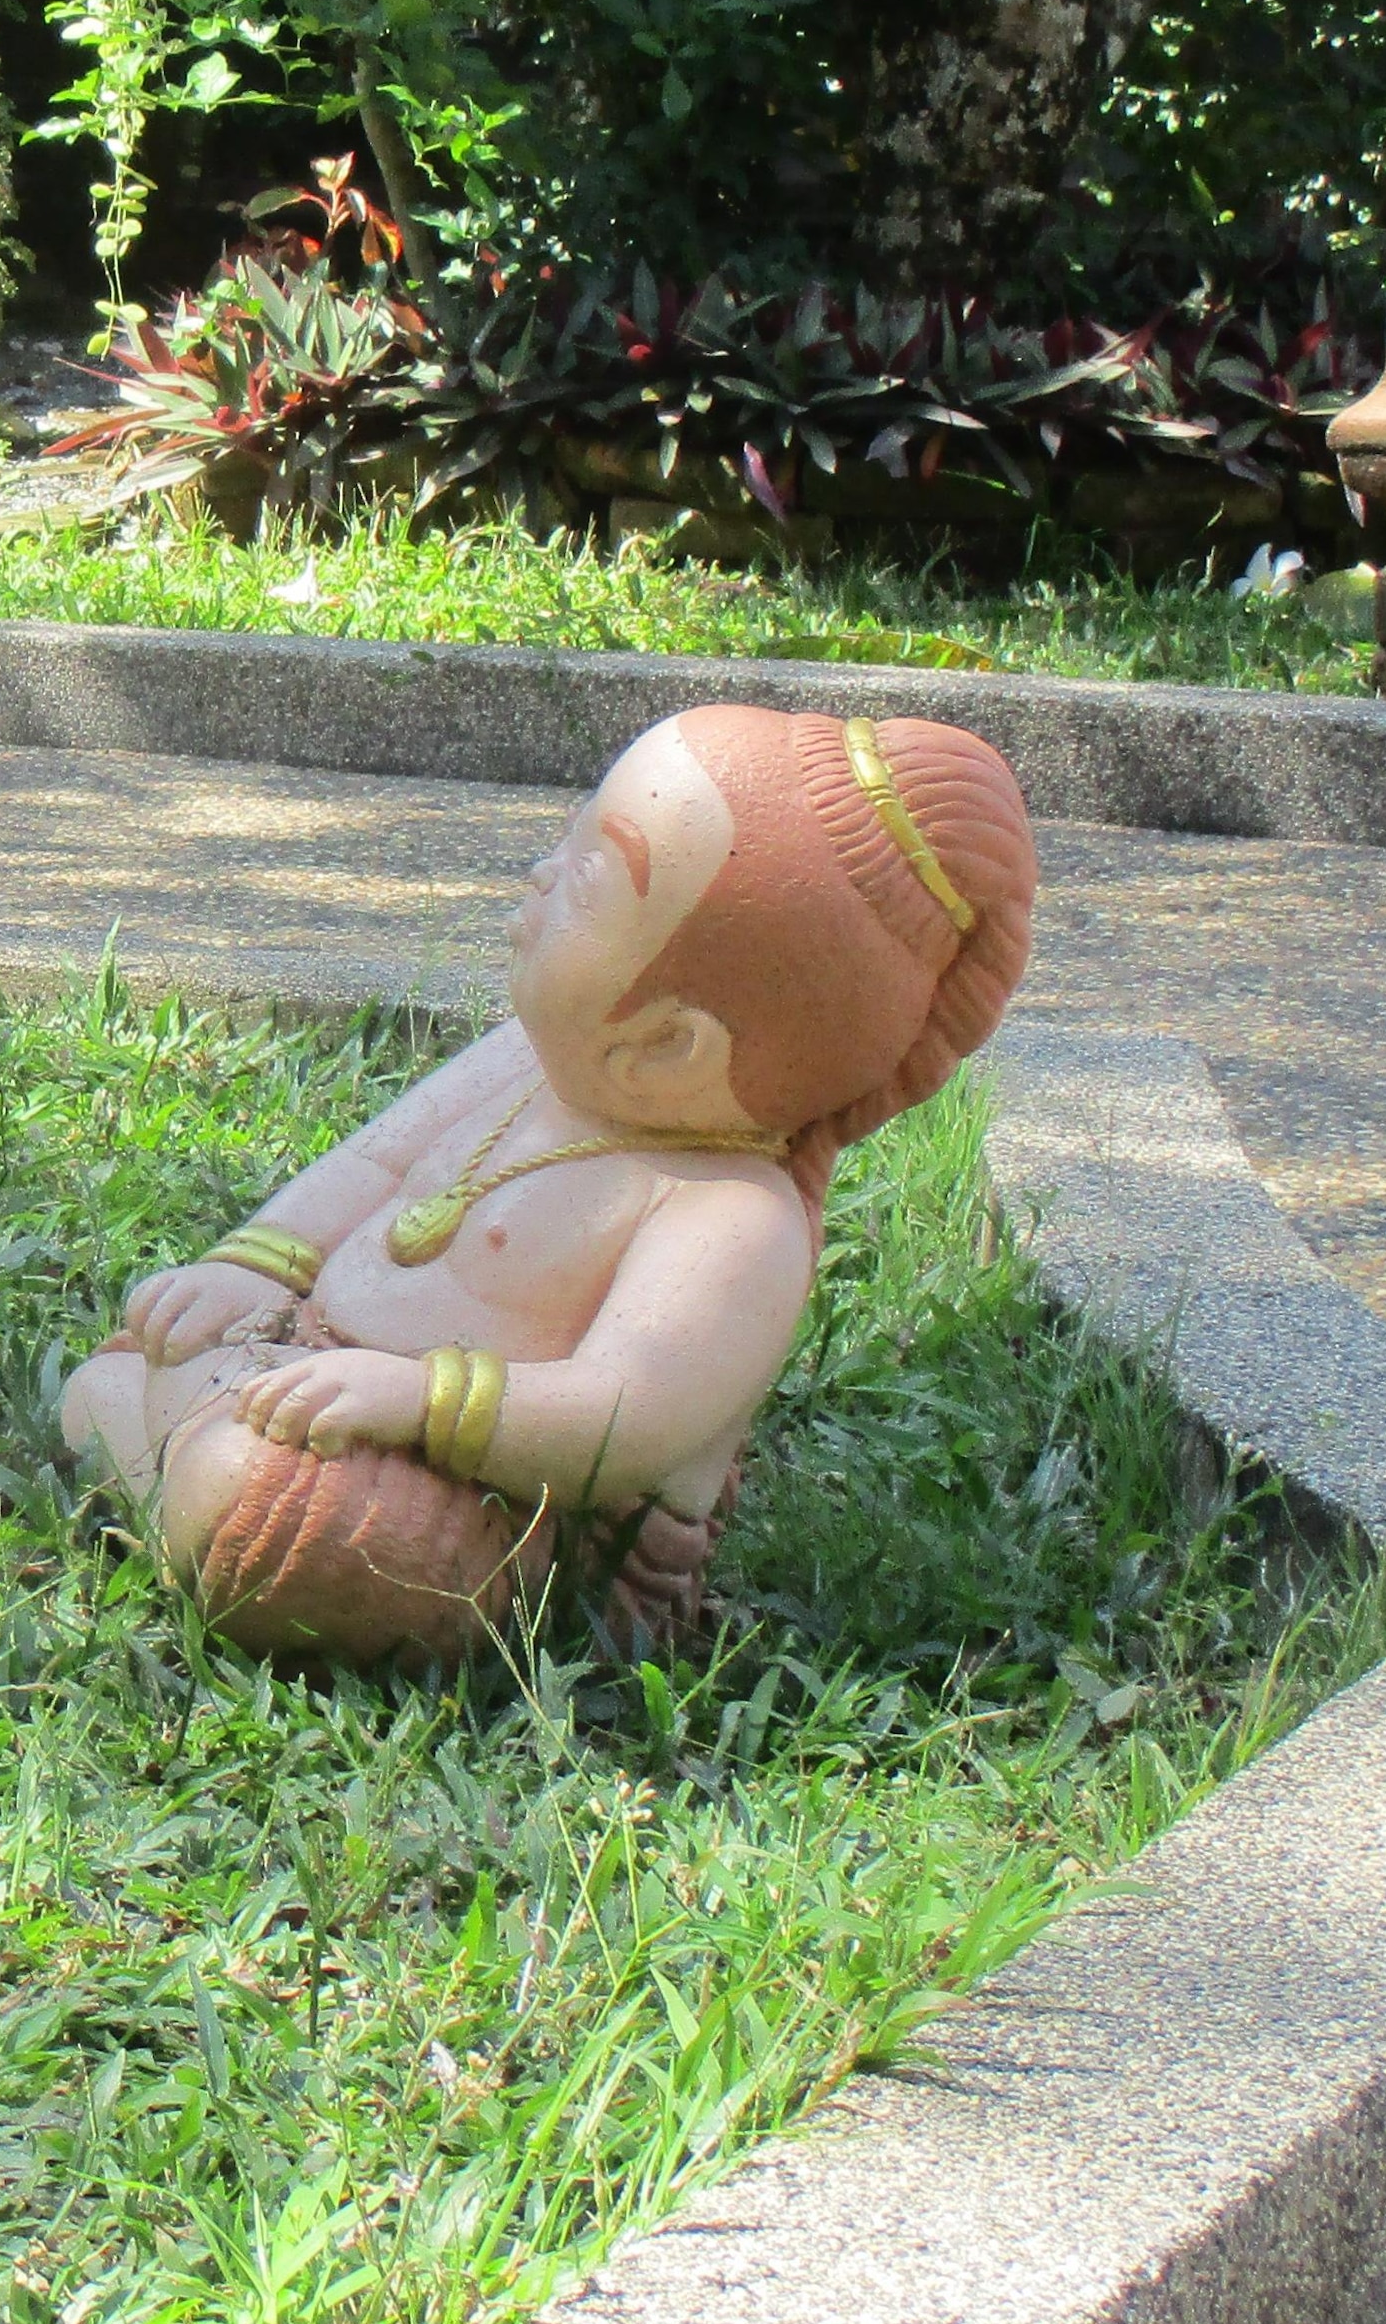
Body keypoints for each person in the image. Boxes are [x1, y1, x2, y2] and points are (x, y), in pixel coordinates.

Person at [62, 703, 1037, 1664]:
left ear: (667, 1043)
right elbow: (370, 1165)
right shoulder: (519, 1063)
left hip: (502, 1520)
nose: (539, 875)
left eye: (586, 876)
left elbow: (623, 1418)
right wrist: (256, 1271)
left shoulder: (729, 1218)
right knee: (119, 1374)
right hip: (316, 1375)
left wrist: (411, 1399)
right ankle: (182, 1461)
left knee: (269, 1512)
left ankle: (184, 1474)